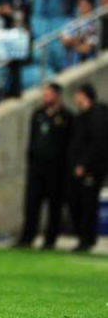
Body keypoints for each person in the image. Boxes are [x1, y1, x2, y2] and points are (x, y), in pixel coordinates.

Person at [15, 83, 73, 249]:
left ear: (57, 95)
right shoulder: (38, 114)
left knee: (54, 205)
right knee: (32, 203)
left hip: (56, 169)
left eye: (48, 94)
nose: (45, 97)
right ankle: (27, 237)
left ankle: (50, 239)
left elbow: (69, 144)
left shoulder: (66, 117)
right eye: (44, 94)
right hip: (36, 168)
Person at [67, 84, 107, 252]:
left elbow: (97, 144)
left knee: (88, 204)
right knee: (77, 202)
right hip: (78, 167)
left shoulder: (97, 116)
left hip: (92, 169)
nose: (75, 98)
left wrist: (85, 165)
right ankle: (84, 237)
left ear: (85, 96)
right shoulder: (81, 117)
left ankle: (87, 239)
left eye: (78, 95)